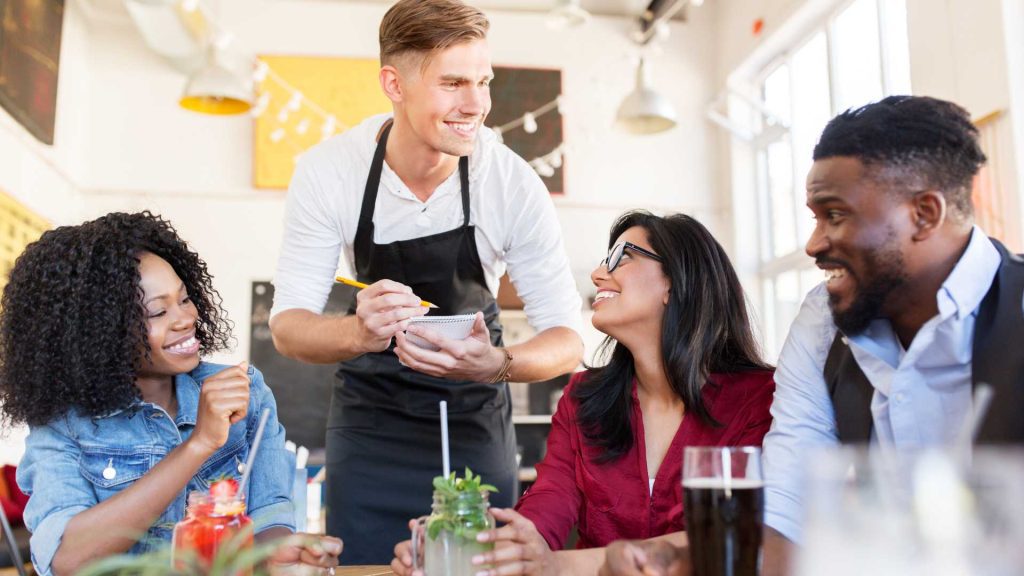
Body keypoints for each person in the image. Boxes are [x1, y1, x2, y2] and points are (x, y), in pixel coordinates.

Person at [601, 95, 1024, 576]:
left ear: (924, 214)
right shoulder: (823, 320)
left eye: (835, 215)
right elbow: (787, 511)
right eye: (815, 218)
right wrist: (683, 561)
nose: (814, 244)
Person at [268, 0, 583, 564]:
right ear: (395, 84)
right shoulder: (330, 172)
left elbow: (567, 340)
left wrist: (497, 364)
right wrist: (358, 333)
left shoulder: (510, 182)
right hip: (371, 423)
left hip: (473, 419)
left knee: (475, 566)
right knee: (366, 566)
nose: (476, 104)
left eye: (483, 82)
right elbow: (288, 328)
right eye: (454, 83)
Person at [391, 211, 776, 576]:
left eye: (622, 257)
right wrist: (468, 551)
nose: (597, 274)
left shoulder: (763, 398)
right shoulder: (583, 398)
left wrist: (559, 566)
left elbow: (741, 533)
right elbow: (545, 508)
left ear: (675, 280)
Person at [0, 212, 342, 576]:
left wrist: (276, 555)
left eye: (184, 298)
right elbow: (67, 559)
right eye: (158, 311)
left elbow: (270, 513)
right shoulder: (63, 424)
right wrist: (198, 444)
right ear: (97, 332)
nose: (185, 319)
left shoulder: (245, 391)